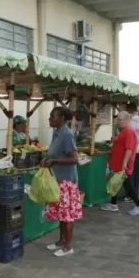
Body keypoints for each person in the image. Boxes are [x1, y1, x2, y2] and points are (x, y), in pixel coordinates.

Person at [42, 107, 81, 257]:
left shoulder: (67, 134)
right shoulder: (57, 133)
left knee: (67, 215)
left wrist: (54, 160)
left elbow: (74, 159)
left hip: (67, 181)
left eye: (53, 117)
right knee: (61, 214)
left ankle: (68, 246)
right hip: (57, 179)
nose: (50, 119)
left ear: (62, 119)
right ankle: (61, 241)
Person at [101, 112, 139, 215]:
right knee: (117, 182)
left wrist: (124, 163)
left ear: (126, 120)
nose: (118, 122)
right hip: (119, 163)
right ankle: (113, 204)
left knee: (128, 185)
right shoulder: (124, 130)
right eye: (117, 119)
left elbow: (129, 149)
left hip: (124, 164)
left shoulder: (129, 131)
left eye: (119, 120)